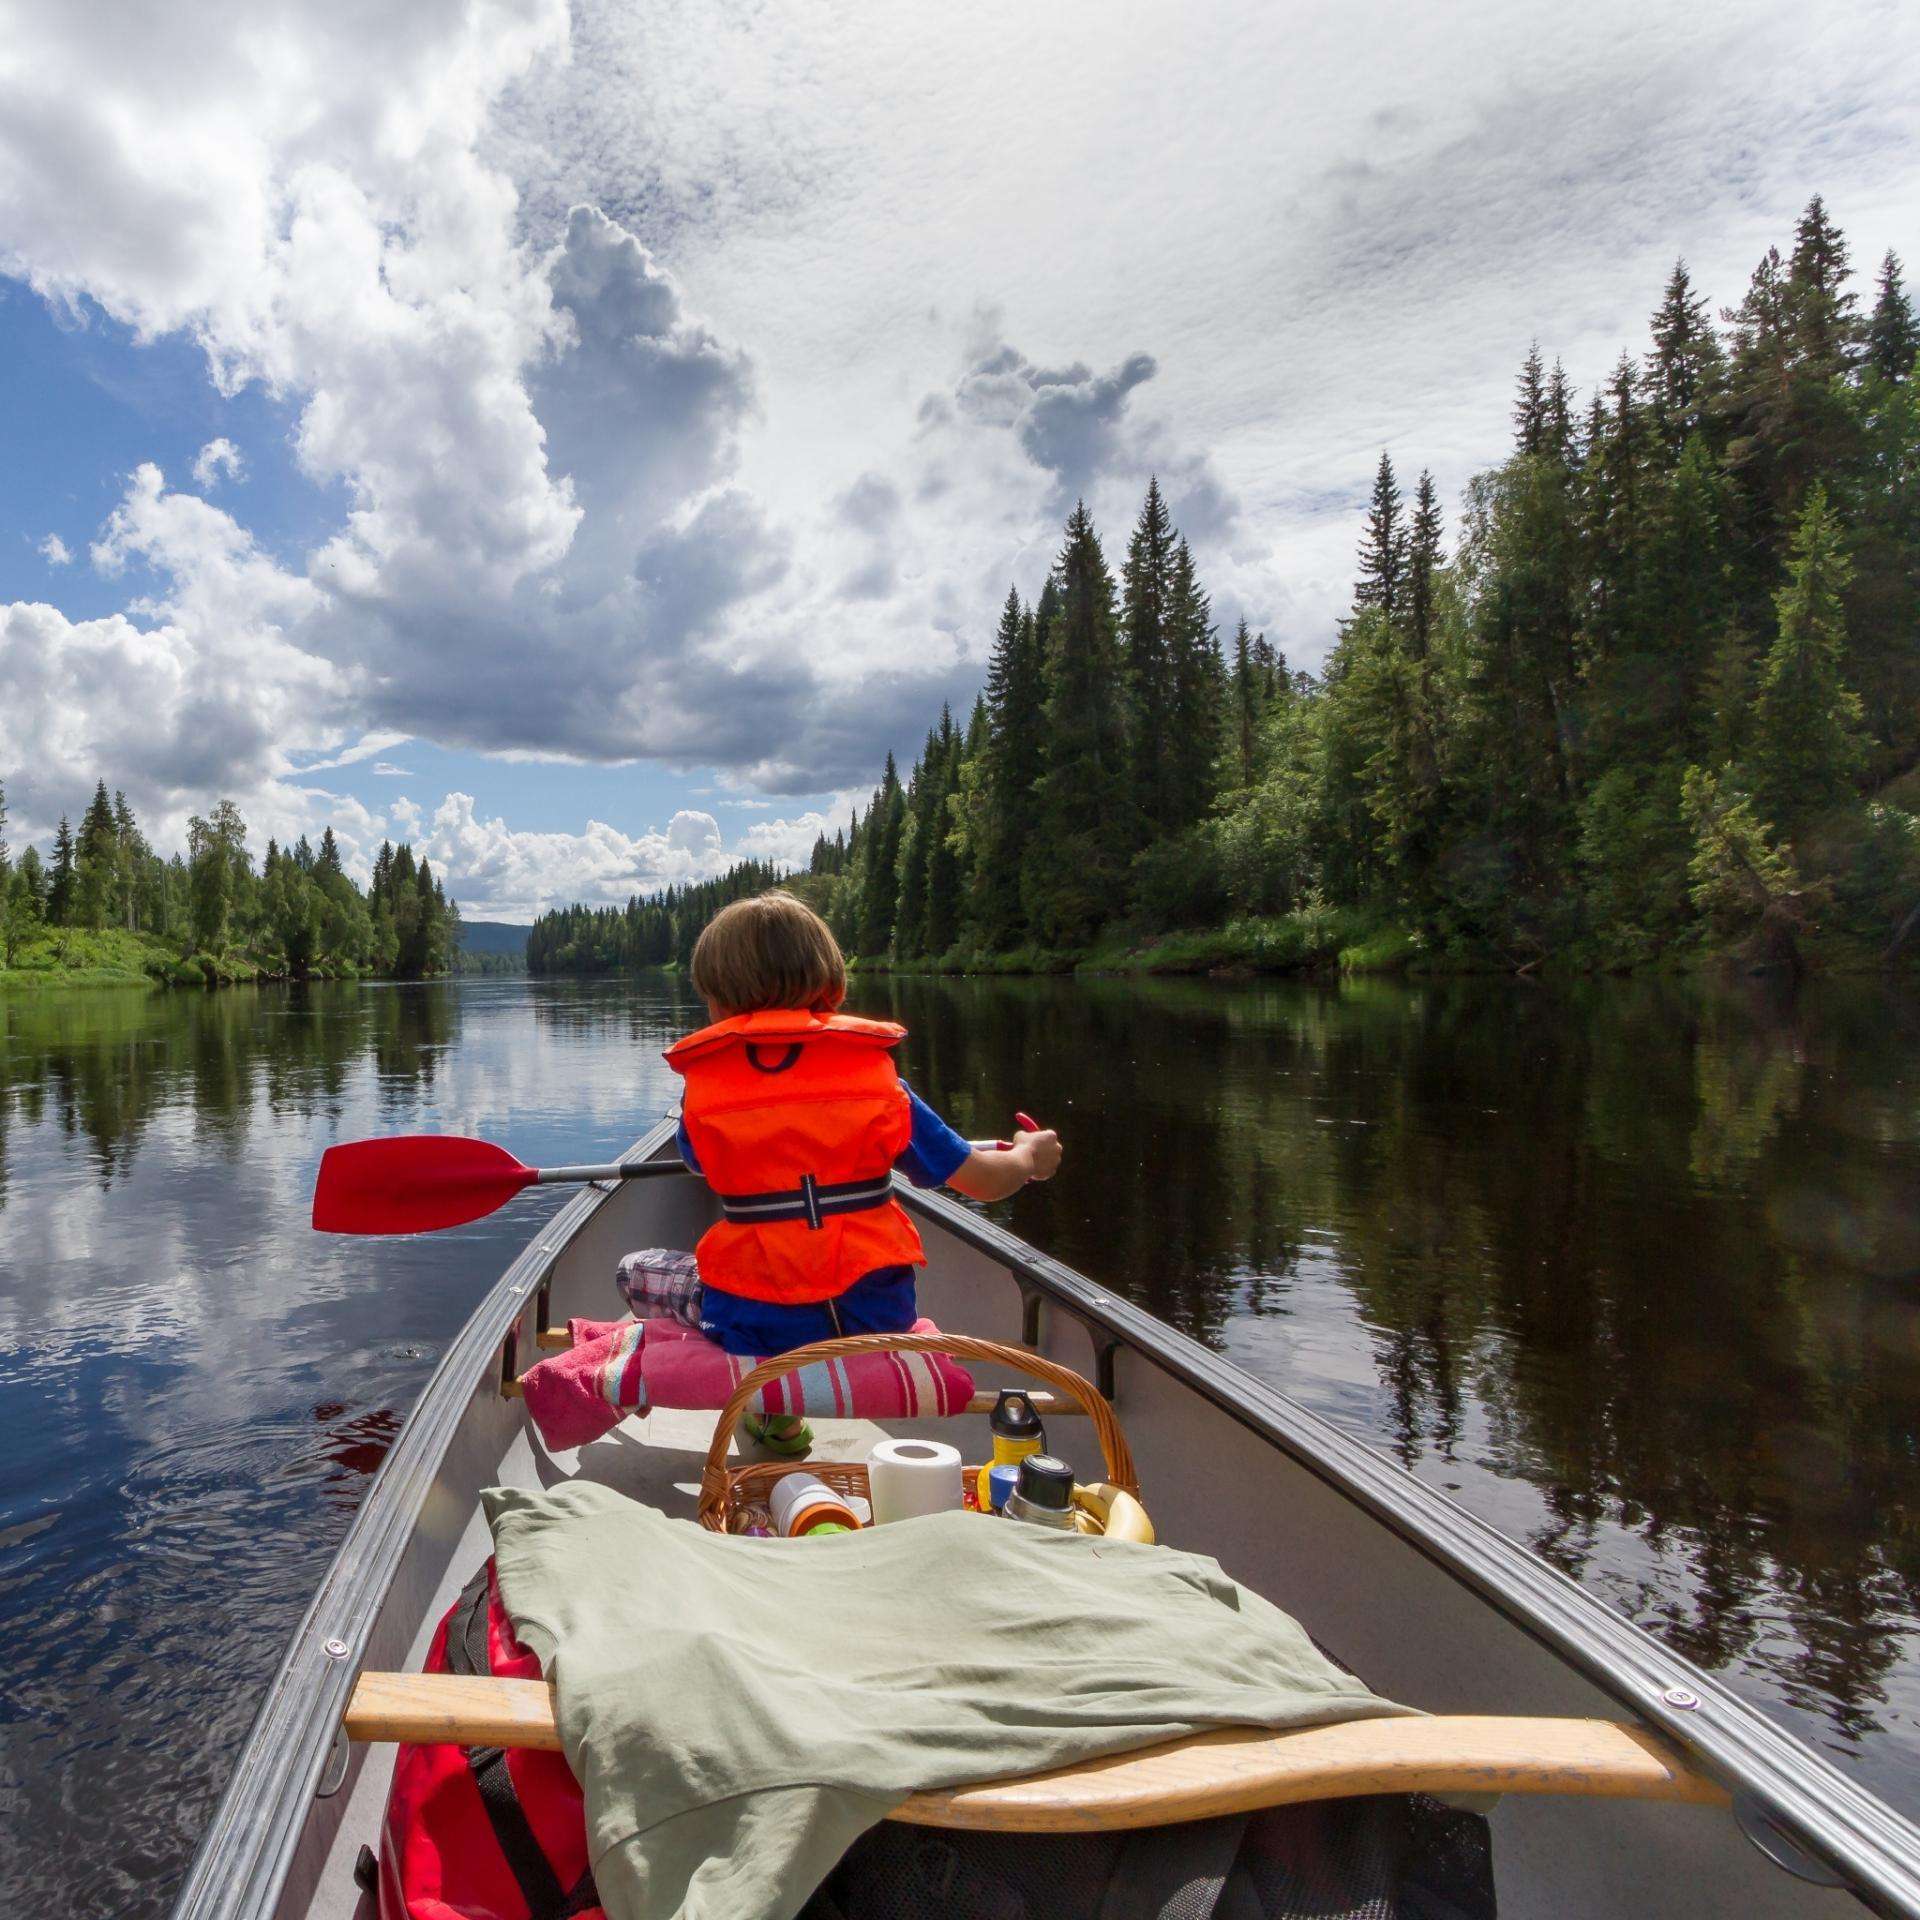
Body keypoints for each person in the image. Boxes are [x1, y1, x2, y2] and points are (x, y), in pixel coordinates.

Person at [618, 890, 1061, 1454]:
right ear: (831, 982)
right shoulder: (880, 1084)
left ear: (718, 1003)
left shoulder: (703, 1094)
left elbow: (700, 1162)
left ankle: (772, 1420)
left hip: (757, 1328)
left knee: (636, 1270)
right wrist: (1028, 1154)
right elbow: (986, 1180)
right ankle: (782, 1405)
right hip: (877, 1320)